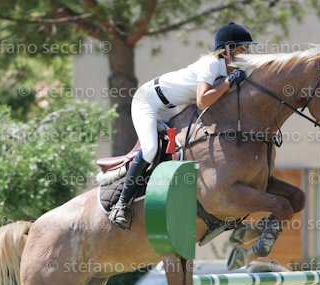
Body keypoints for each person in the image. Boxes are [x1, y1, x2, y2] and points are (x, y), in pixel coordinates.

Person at [108, 22, 255, 229]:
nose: (247, 52)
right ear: (228, 49)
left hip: (170, 107)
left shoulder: (230, 70)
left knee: (185, 145)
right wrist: (229, 82)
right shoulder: (212, 64)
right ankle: (120, 205)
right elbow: (203, 101)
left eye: (248, 48)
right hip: (148, 100)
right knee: (150, 149)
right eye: (243, 48)